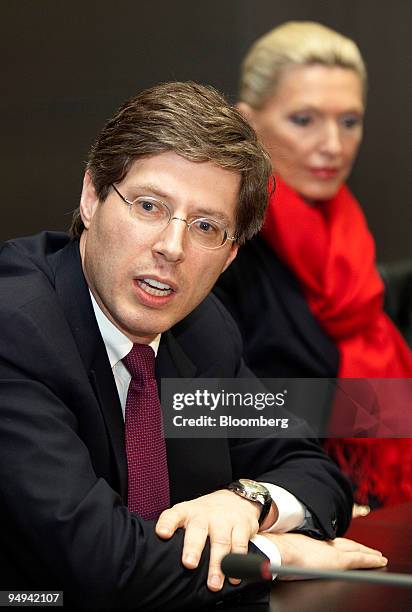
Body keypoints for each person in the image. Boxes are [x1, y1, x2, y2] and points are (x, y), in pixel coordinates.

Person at [0, 81, 386, 611]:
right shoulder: (16, 327)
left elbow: (312, 468)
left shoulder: (202, 330)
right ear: (91, 197)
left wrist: (248, 500)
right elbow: (100, 567)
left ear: (229, 257)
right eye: (149, 206)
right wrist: (271, 555)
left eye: (207, 226)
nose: (171, 247)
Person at [214, 22, 412, 512]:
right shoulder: (220, 242)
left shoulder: (351, 240)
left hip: (368, 503)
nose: (333, 145)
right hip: (264, 506)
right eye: (303, 120)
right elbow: (191, 407)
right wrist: (379, 411)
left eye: (349, 121)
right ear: (248, 122)